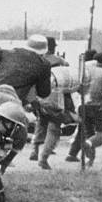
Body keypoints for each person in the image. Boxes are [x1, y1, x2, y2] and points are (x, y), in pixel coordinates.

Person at [0, 34, 51, 106]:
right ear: (44, 52)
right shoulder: (44, 64)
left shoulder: (10, 52)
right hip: (9, 104)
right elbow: (43, 93)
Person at [29, 37, 73, 169]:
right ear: (53, 47)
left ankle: (34, 150)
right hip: (54, 96)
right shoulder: (60, 61)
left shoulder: (35, 61)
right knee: (54, 128)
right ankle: (43, 158)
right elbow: (68, 77)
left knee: (41, 122)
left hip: (38, 96)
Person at [66, 52, 102, 165]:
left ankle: (90, 160)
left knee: (89, 133)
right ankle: (87, 145)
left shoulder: (84, 71)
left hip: (82, 106)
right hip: (97, 106)